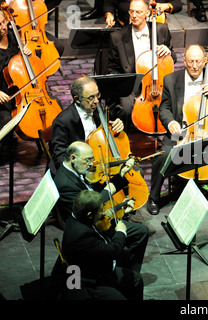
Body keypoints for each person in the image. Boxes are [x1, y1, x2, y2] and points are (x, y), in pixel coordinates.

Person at [147, 44, 208, 215]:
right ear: (184, 61)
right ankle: (154, 198)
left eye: (198, 61)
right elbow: (164, 108)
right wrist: (170, 123)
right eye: (190, 62)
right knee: (164, 156)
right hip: (182, 132)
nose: (194, 66)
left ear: (204, 61)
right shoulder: (171, 79)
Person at [54, 141, 150, 274]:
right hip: (90, 225)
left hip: (97, 216)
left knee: (141, 231)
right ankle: (124, 276)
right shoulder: (65, 183)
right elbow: (92, 205)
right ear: (73, 158)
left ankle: (127, 272)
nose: (91, 164)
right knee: (138, 232)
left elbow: (95, 192)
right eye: (87, 160)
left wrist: (120, 174)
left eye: (92, 160)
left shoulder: (75, 169)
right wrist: (119, 225)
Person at [106, 0, 175, 133]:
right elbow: (112, 68)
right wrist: (123, 83)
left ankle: (171, 141)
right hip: (130, 86)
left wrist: (168, 52)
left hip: (156, 83)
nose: (134, 15)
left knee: (175, 104)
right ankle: (123, 143)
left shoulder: (161, 30)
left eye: (138, 12)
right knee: (125, 109)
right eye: (131, 11)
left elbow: (173, 60)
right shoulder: (117, 37)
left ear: (147, 13)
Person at [62, 190, 144, 300]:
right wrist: (121, 232)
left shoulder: (77, 217)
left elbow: (101, 229)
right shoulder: (82, 236)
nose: (103, 213)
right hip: (91, 282)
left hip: (95, 268)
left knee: (136, 279)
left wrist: (121, 213)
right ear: (90, 215)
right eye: (100, 211)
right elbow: (112, 251)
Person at [50, 75, 124, 174]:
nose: (97, 101)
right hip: (77, 169)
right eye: (91, 98)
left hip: (98, 162)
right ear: (77, 99)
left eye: (97, 95)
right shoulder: (62, 122)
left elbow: (102, 134)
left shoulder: (96, 109)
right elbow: (60, 157)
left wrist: (115, 126)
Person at [0, 10, 32, 163]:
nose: (3, 27)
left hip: (20, 90)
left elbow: (26, 65)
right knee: (6, 119)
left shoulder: (14, 36)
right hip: (3, 97)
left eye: (4, 22)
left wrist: (26, 52)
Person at [103, 0, 182, 27]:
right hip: (126, 28)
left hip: (155, 29)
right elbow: (109, 3)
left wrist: (165, 6)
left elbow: (178, 4)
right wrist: (109, 14)